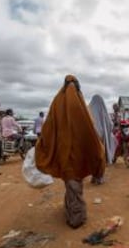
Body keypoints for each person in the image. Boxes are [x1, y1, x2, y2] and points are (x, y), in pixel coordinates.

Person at [35, 75, 105, 229]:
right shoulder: (79, 103)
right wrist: (95, 148)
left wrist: (44, 144)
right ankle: (76, 217)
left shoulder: (57, 102)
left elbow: (48, 128)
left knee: (71, 182)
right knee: (74, 183)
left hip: (64, 152)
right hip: (78, 153)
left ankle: (74, 214)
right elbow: (91, 130)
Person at [88, 94, 117, 170]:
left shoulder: (88, 110)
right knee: (101, 155)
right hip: (102, 138)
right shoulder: (103, 111)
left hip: (91, 137)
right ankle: (98, 177)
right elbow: (110, 124)